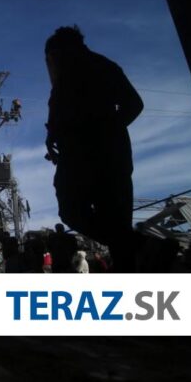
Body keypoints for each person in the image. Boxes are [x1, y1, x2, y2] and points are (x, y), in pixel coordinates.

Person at [44, 25, 143, 272]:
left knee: (102, 215)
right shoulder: (65, 80)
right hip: (78, 158)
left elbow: (133, 104)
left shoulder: (99, 67)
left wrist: (102, 132)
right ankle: (131, 244)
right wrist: (53, 138)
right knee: (76, 211)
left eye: (51, 60)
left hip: (105, 160)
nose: (50, 67)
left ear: (60, 52)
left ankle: (131, 248)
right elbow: (59, 117)